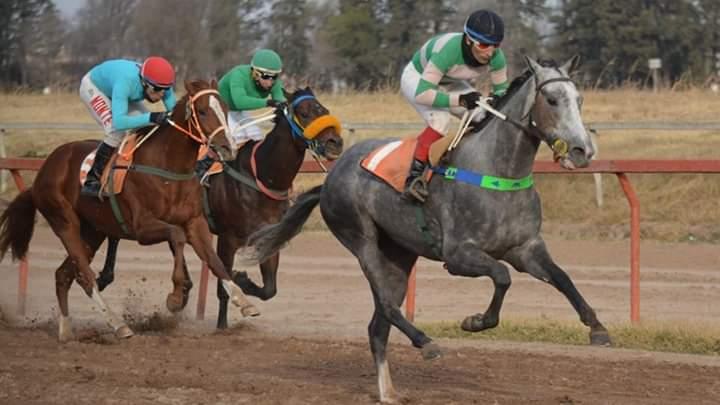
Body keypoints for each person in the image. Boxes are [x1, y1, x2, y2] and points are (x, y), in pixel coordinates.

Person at [400, 9, 509, 202]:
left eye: (496, 45)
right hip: (418, 79)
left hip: (449, 81)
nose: (490, 52)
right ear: (468, 40)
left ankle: (473, 164)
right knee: (441, 121)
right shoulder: (448, 51)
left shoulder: (497, 57)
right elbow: (423, 94)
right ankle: (413, 178)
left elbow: (502, 92)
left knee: (483, 115)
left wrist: (496, 99)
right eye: (484, 45)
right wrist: (460, 100)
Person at [79, 56, 176, 197]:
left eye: (166, 90)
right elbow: (120, 123)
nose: (162, 94)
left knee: (147, 127)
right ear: (144, 83)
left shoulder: (160, 82)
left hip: (121, 91)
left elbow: (175, 115)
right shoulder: (125, 82)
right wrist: (151, 117)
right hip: (94, 87)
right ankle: (92, 179)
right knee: (115, 131)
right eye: (158, 89)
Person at [196, 49, 287, 181]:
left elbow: (281, 100)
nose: (270, 82)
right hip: (221, 110)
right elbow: (239, 101)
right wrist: (268, 102)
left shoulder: (273, 82)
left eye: (274, 77)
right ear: (255, 73)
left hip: (237, 111)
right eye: (266, 77)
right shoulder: (238, 75)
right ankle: (204, 166)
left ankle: (251, 171)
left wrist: (283, 106)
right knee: (233, 137)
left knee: (257, 137)